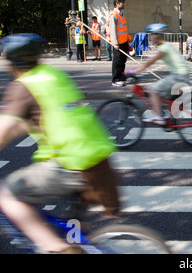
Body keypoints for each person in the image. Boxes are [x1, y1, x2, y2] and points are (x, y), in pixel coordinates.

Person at [0, 34, 120, 253]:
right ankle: (75, 245)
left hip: (69, 164)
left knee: (7, 194)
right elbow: (43, 117)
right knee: (74, 228)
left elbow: (4, 129)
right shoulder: (54, 75)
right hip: (97, 162)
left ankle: (54, 247)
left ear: (13, 61)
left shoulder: (24, 86)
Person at [130, 23, 190, 125]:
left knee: (152, 89)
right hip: (181, 74)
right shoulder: (165, 46)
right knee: (165, 96)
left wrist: (136, 70)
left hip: (179, 76)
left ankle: (158, 116)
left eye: (151, 35)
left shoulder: (163, 47)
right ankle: (172, 121)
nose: (149, 38)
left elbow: (151, 61)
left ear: (156, 35)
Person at [109, 0, 131, 86]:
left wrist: (127, 42)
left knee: (122, 61)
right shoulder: (113, 15)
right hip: (118, 43)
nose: (124, 4)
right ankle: (116, 79)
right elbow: (113, 30)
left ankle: (121, 76)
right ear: (117, 3)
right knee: (117, 61)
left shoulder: (121, 14)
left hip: (124, 42)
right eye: (122, 3)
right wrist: (115, 43)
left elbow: (123, 29)